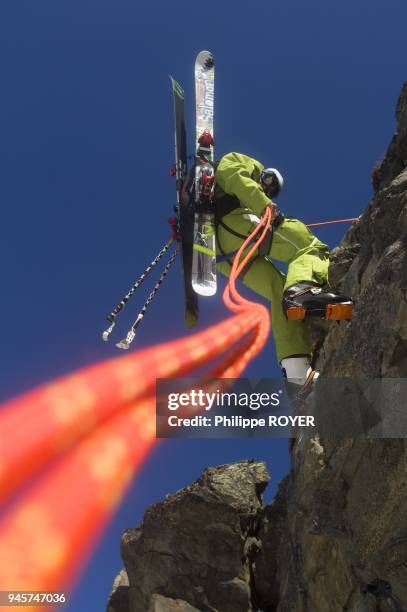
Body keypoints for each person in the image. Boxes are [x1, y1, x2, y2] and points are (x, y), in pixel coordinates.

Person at [214, 152, 353, 384]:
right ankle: (303, 289)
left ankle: (297, 370)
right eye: (268, 182)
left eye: (272, 190)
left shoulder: (246, 198)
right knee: (308, 245)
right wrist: (264, 205)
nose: (268, 188)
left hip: (225, 257)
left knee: (278, 290)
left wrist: (260, 204)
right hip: (234, 225)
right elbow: (232, 174)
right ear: (264, 174)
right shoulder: (248, 166)